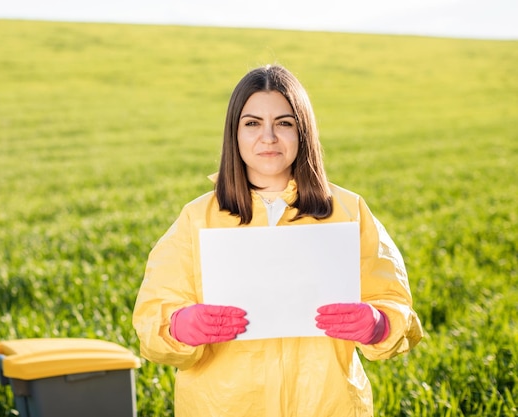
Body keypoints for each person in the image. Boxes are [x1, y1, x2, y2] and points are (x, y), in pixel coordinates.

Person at [132, 64, 423, 416]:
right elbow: (151, 320)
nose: (268, 137)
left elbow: (396, 305)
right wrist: (178, 326)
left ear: (303, 132)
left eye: (284, 123)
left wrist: (379, 324)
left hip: (329, 406)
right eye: (252, 123)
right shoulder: (197, 219)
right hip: (221, 406)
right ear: (234, 134)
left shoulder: (349, 211)